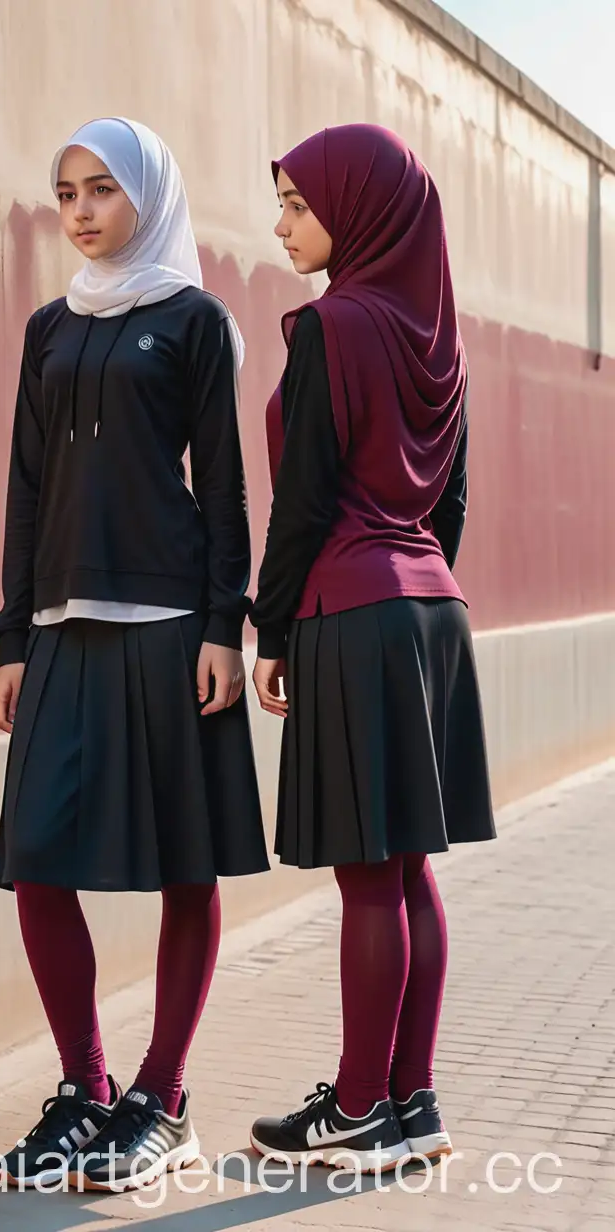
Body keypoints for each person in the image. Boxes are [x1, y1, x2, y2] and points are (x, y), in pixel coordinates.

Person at [0, 116, 269, 1191]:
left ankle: (162, 1092)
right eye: (66, 192)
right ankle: (84, 1085)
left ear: (147, 196)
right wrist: (14, 631)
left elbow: (225, 484)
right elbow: (24, 484)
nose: (81, 210)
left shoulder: (194, 321)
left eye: (102, 188)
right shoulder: (48, 328)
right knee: (39, 861)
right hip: (60, 630)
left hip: (167, 632)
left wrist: (221, 624)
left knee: (182, 865)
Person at [247, 124, 496, 1174]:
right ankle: (409, 1099)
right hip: (432, 610)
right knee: (408, 870)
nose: (281, 223)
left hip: (351, 607)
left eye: (299, 204)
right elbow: (454, 503)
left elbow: (301, 501)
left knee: (365, 881)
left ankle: (356, 1105)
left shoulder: (330, 328)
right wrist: (411, 586)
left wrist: (269, 626)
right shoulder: (436, 336)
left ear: (359, 209)